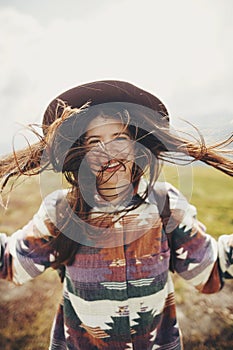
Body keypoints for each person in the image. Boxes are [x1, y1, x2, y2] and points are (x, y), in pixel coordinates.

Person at [0, 80, 232, 350]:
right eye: (94, 141)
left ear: (137, 145)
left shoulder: (165, 204)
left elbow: (209, 270)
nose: (109, 151)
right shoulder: (62, 212)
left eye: (120, 138)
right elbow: (11, 262)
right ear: (81, 153)